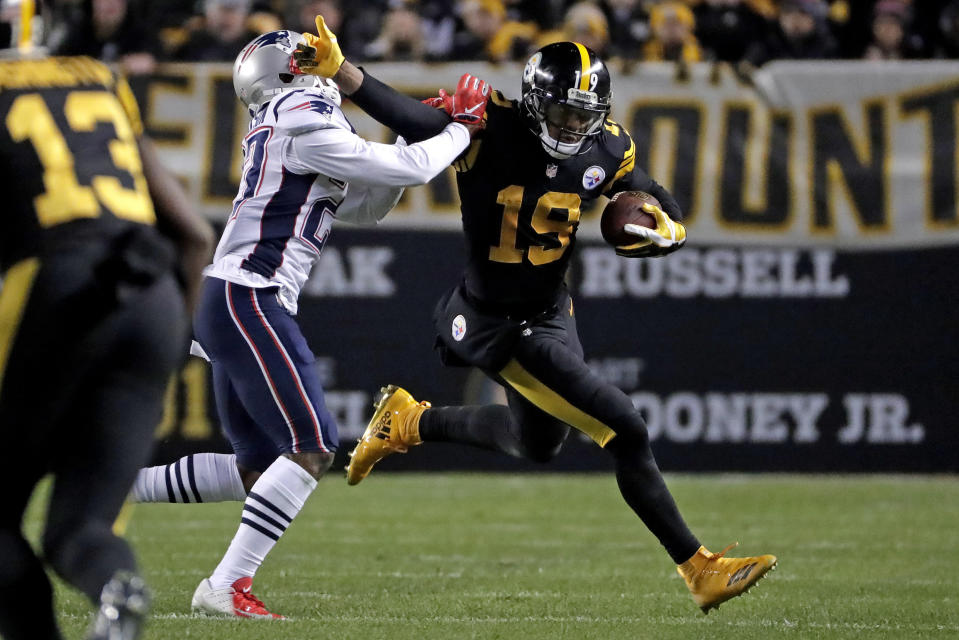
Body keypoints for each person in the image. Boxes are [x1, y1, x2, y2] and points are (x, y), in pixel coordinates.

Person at [293, 16, 777, 613]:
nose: (575, 126)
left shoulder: (606, 146)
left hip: (550, 311)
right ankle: (699, 567)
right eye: (564, 113)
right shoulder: (490, 126)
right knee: (623, 426)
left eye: (584, 114)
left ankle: (410, 422)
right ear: (534, 101)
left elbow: (656, 197)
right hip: (497, 324)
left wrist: (668, 230)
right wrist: (343, 73)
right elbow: (409, 116)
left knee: (538, 442)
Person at [130, 28, 488, 619]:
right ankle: (225, 586)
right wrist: (460, 129)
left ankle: (111, 484)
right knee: (313, 447)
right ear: (290, 74)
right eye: (310, 63)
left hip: (235, 296)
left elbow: (370, 205)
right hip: (251, 296)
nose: (324, 73)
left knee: (255, 467)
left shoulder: (287, 129)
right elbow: (412, 169)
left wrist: (409, 130)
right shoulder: (301, 125)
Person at [0, 6, 213, 640]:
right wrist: (171, 350)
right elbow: (195, 236)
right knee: (80, 528)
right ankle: (117, 592)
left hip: (53, 287)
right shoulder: (100, 76)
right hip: (151, 299)